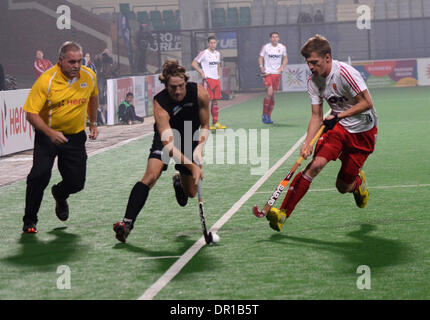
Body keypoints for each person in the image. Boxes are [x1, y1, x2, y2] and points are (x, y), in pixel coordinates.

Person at [266, 35, 378, 232]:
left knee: (342, 186)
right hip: (338, 129)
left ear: (327, 58)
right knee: (315, 165)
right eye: (308, 62)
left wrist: (340, 115)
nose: (310, 67)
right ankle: (282, 214)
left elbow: (367, 103)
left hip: (363, 132)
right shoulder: (313, 81)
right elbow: (316, 115)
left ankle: (357, 183)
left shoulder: (345, 73)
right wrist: (307, 143)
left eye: (314, 62)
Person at [113, 59, 210, 243]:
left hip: (190, 135)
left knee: (190, 193)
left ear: (185, 81)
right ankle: (127, 223)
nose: (178, 91)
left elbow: (205, 125)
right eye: (173, 88)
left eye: (181, 86)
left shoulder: (199, 93)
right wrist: (192, 166)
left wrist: (199, 147)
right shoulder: (160, 103)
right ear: (165, 85)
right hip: (167, 139)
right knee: (151, 176)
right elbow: (168, 145)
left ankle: (179, 183)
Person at [22, 41, 99, 233]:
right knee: (39, 176)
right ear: (60, 61)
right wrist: (50, 133)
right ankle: (29, 221)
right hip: (47, 136)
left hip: (75, 137)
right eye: (72, 62)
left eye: (79, 61)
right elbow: (31, 114)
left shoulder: (89, 76)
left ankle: (59, 193)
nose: (76, 65)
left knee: (77, 183)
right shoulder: (46, 80)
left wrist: (94, 122)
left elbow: (93, 96)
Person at [192, 35, 226, 130]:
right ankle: (203, 124)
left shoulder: (217, 54)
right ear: (208, 43)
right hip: (208, 80)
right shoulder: (204, 53)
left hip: (216, 80)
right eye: (211, 43)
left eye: (214, 43)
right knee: (206, 102)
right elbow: (194, 63)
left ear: (216, 43)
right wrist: (201, 72)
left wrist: (218, 76)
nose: (213, 44)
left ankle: (215, 123)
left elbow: (218, 65)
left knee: (215, 101)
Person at [258, 32, 288, 124]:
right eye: (273, 37)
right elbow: (260, 57)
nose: (275, 38)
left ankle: (269, 116)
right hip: (268, 73)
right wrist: (261, 66)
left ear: (278, 38)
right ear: (270, 39)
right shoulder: (266, 47)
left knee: (273, 96)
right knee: (269, 92)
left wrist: (283, 66)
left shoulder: (282, 47)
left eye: (276, 37)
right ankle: (264, 115)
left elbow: (285, 58)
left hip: (277, 74)